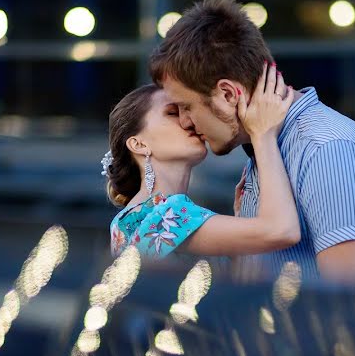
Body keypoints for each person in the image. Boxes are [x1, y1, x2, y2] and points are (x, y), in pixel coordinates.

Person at [149, 0, 355, 294]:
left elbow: (349, 301)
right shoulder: (271, 147)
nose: (185, 121)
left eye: (185, 107)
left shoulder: (326, 149)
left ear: (227, 94)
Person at [105, 64, 301, 260]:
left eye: (187, 109)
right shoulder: (166, 214)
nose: (187, 121)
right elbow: (281, 231)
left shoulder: (129, 218)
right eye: (173, 113)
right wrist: (263, 134)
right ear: (138, 144)